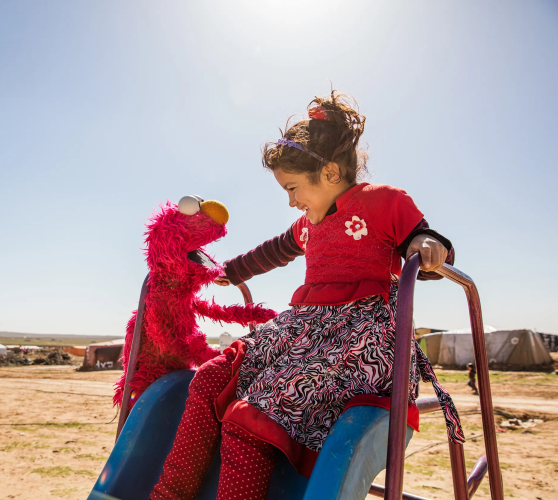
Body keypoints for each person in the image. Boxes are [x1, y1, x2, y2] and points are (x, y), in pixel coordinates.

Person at [149, 90, 465, 500]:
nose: (291, 199)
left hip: (355, 338)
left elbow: (419, 236)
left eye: (293, 187)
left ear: (331, 173)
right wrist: (230, 271)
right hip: (301, 330)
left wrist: (426, 246)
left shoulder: (383, 201)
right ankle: (170, 492)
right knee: (210, 378)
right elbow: (273, 251)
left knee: (250, 419)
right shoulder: (308, 225)